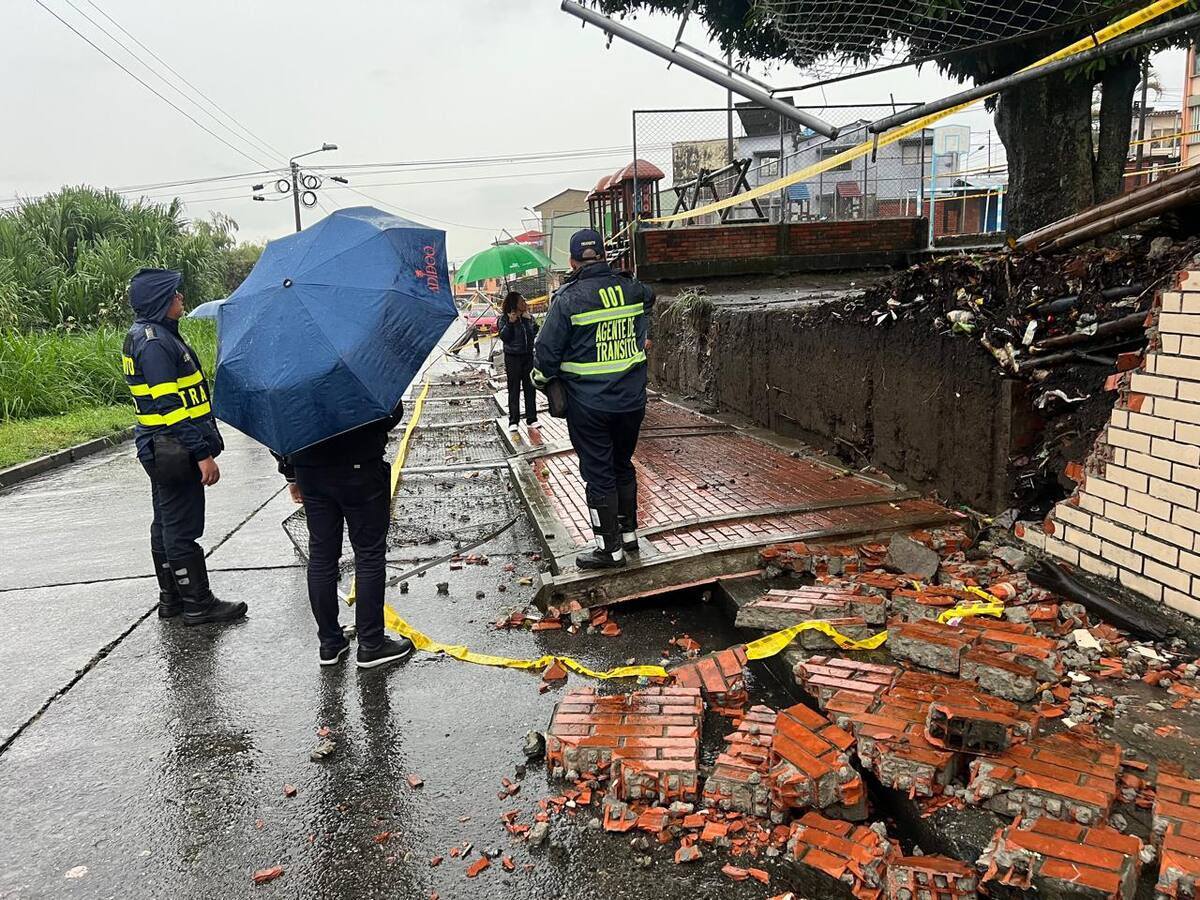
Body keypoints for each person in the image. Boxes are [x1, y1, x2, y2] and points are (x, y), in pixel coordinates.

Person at [122, 268, 247, 624]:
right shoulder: (156, 343)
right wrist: (202, 453)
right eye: (175, 293)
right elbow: (170, 407)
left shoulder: (149, 335)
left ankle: (172, 599)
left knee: (165, 522)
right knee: (181, 528)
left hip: (160, 445)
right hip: (173, 447)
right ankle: (198, 603)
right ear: (160, 301)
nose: (181, 298)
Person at [533, 229, 655, 569]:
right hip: (631, 401)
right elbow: (650, 297)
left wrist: (541, 381)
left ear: (573, 262)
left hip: (589, 405)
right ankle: (629, 536)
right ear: (603, 256)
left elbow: (545, 354)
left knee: (599, 474)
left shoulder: (568, 299)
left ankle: (609, 550)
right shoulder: (632, 289)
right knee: (622, 464)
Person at [276, 403, 415, 669]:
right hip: (359, 464)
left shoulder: (284, 381)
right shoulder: (357, 376)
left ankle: (329, 644)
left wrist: (291, 475)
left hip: (309, 469)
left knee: (321, 557)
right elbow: (389, 413)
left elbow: (277, 429)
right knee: (369, 554)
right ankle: (371, 644)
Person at [498, 290, 539, 433]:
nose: (525, 303)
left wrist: (527, 321)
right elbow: (504, 337)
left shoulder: (529, 317)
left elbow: (533, 334)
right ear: (515, 303)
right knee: (514, 389)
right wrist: (511, 322)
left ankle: (532, 419)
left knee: (530, 388)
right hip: (513, 358)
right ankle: (513, 421)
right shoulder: (504, 318)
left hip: (528, 356)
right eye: (522, 301)